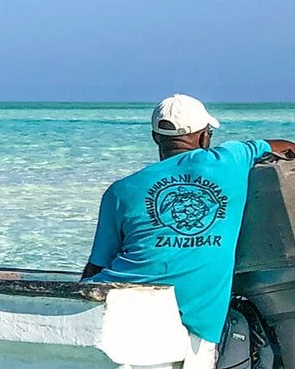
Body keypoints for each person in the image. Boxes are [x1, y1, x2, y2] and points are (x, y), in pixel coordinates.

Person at [83, 95, 295, 345]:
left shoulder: (120, 190)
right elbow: (284, 145)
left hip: (117, 306)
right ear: (206, 136)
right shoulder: (232, 159)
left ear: (155, 137)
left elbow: (95, 269)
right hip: (194, 321)